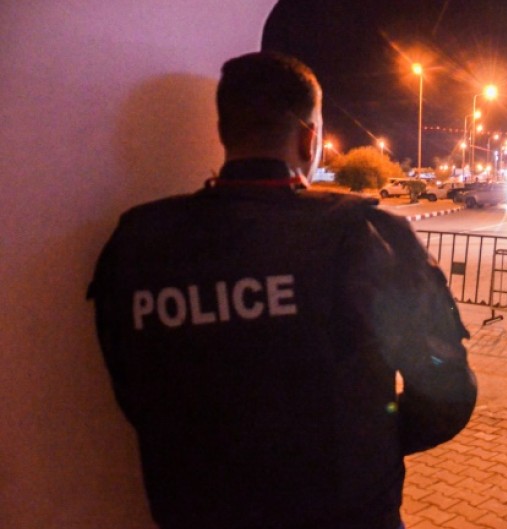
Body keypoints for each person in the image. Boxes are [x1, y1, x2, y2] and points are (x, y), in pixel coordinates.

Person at [87, 52, 477, 529]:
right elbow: (446, 391)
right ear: (310, 139)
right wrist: (371, 442)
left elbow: (134, 393)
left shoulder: (138, 243)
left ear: (224, 131)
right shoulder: (367, 236)